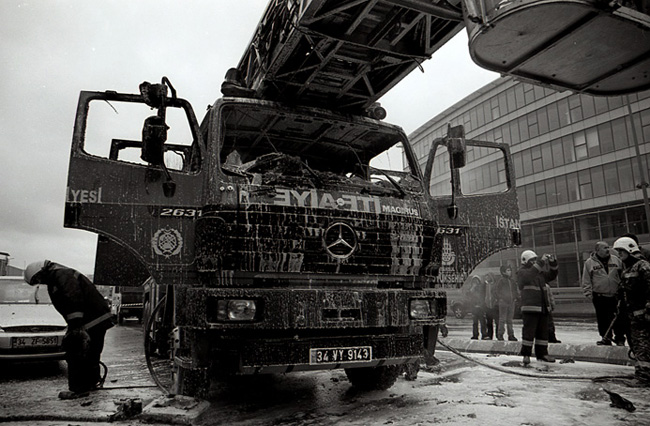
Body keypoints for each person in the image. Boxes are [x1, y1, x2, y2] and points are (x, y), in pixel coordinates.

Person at [24, 260, 114, 399]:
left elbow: (72, 298)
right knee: (91, 353)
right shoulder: (59, 275)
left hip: (89, 320)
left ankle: (78, 389)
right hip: (94, 319)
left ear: (41, 272)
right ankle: (90, 383)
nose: (39, 282)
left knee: (75, 351)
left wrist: (76, 326)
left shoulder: (61, 275)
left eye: (37, 279)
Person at [612, 237, 650, 386]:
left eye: (621, 251)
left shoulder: (643, 267)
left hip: (643, 316)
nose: (619, 254)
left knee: (642, 346)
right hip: (633, 315)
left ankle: (644, 377)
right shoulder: (627, 269)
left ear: (629, 250)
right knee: (638, 345)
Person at [517, 249, 558, 365]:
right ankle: (526, 355)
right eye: (532, 260)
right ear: (525, 261)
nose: (535, 262)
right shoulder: (522, 272)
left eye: (535, 260)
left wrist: (553, 263)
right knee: (528, 333)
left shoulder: (539, 274)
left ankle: (542, 354)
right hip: (530, 308)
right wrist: (540, 262)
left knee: (542, 333)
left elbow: (551, 275)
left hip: (542, 308)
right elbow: (529, 276)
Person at [581, 241, 625, 346]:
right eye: (604, 248)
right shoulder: (589, 263)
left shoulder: (616, 260)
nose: (607, 249)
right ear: (597, 250)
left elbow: (623, 275)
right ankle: (606, 338)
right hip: (600, 296)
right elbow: (586, 279)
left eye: (608, 247)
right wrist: (588, 292)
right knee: (603, 319)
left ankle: (620, 338)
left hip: (615, 295)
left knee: (618, 318)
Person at [496, 264, 518, 341]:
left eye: (510, 270)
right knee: (502, 319)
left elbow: (515, 290)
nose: (510, 272)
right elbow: (497, 291)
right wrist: (502, 298)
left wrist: (515, 297)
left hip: (511, 301)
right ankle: (500, 334)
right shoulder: (501, 281)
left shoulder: (512, 281)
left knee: (510, 319)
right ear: (503, 272)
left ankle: (511, 334)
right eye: (508, 270)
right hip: (504, 302)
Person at [468, 274, 487, 340]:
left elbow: (483, 296)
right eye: (474, 281)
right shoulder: (471, 289)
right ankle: (475, 335)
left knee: (483, 322)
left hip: (481, 308)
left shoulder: (481, 288)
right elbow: (469, 296)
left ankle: (484, 334)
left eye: (476, 280)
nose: (475, 282)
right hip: (474, 308)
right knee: (475, 323)